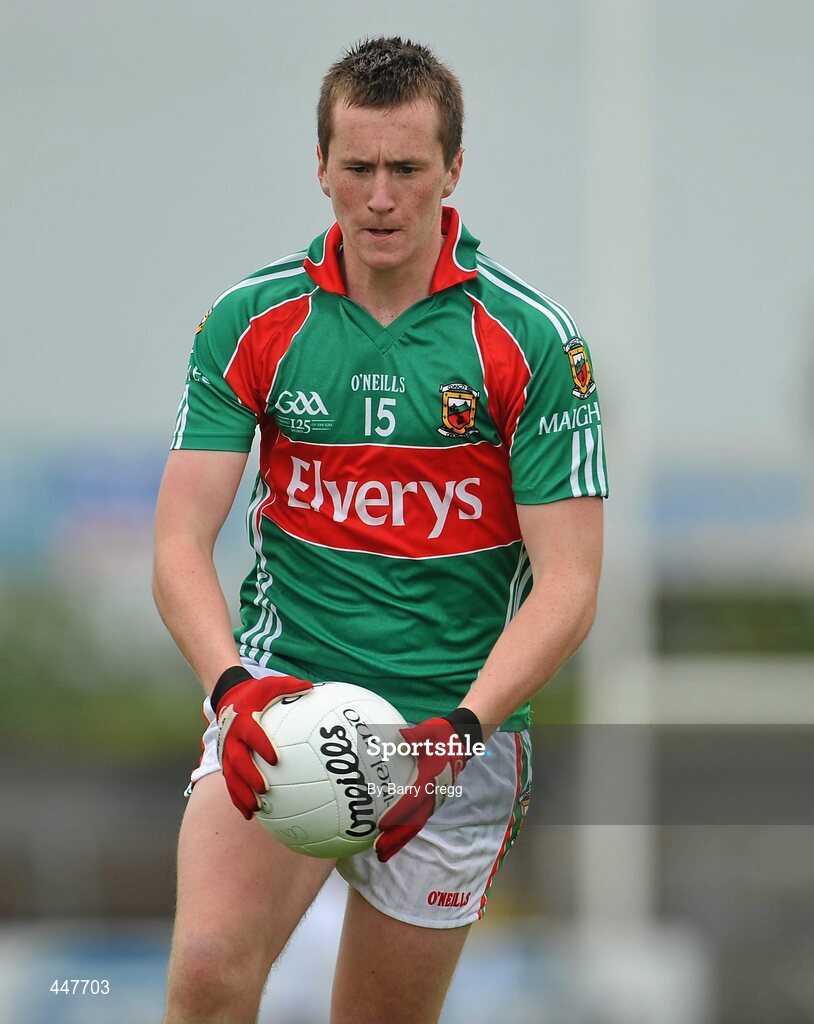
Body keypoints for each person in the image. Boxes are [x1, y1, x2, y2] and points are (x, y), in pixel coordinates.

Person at [153, 35, 607, 1024]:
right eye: (357, 168)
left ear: (453, 168)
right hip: (285, 709)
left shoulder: (529, 340)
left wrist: (456, 734)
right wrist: (233, 692)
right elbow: (180, 542)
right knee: (206, 970)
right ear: (320, 168)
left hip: (456, 740)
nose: (381, 196)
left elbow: (569, 585)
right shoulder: (252, 321)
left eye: (407, 168)